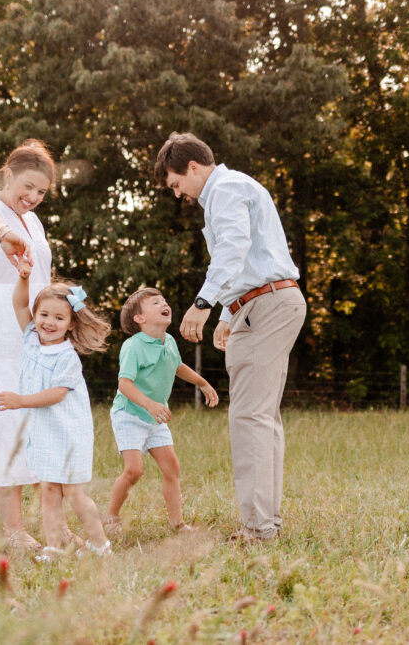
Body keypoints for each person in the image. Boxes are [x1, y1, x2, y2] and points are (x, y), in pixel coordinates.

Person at [153, 132, 307, 543]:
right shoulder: (236, 187)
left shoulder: (224, 189)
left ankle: (259, 529)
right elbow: (248, 257)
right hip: (265, 303)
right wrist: (227, 312)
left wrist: (203, 303)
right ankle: (266, 522)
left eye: (175, 183)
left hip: (267, 304)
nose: (177, 193)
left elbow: (234, 247)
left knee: (248, 417)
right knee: (262, 417)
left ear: (192, 168)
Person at [0, 139, 70, 553]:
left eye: (42, 192)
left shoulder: (35, 224)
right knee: (7, 425)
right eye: (28, 187)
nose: (34, 198)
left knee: (44, 428)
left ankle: (54, 527)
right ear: (6, 175)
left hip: (37, 333)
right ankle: (13, 531)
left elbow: (40, 278)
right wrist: (5, 232)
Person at [0, 263, 113, 560]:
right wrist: (23, 278)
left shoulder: (67, 358)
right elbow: (19, 303)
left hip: (69, 435)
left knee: (73, 493)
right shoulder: (32, 339)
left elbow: (56, 395)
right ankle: (54, 548)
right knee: (48, 491)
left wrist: (20, 400)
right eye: (44, 314)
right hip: (45, 435)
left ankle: (101, 546)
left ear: (71, 324)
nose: (49, 322)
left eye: (59, 318)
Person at [103, 287, 219, 538]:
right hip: (130, 413)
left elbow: (177, 366)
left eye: (164, 300)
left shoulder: (169, 342)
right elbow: (124, 384)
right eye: (155, 303)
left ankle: (177, 524)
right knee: (134, 470)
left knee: (172, 468)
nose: (164, 304)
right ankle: (111, 515)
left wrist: (202, 382)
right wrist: (150, 404)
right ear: (139, 318)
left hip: (155, 417)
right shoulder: (133, 346)